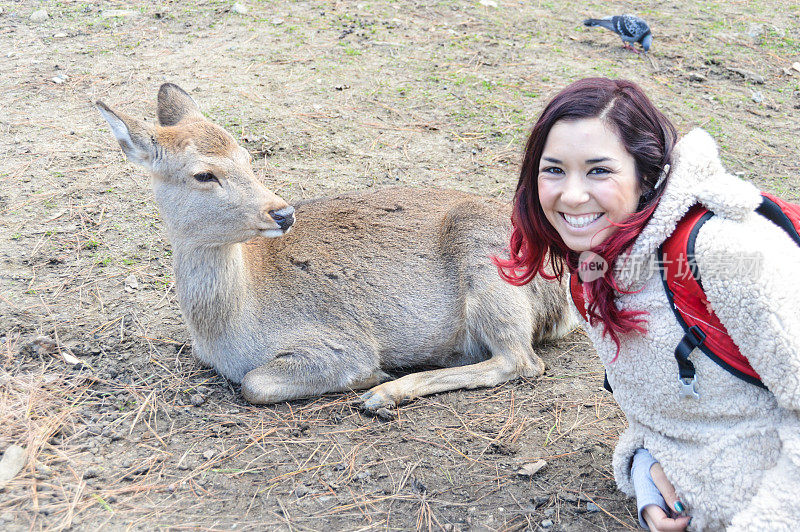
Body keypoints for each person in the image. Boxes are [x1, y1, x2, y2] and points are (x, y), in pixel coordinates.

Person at [495, 77, 800, 531]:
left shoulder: (723, 256)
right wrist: (647, 476)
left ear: (647, 175)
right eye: (554, 170)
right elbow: (663, 413)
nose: (572, 195)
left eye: (599, 170)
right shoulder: (596, 271)